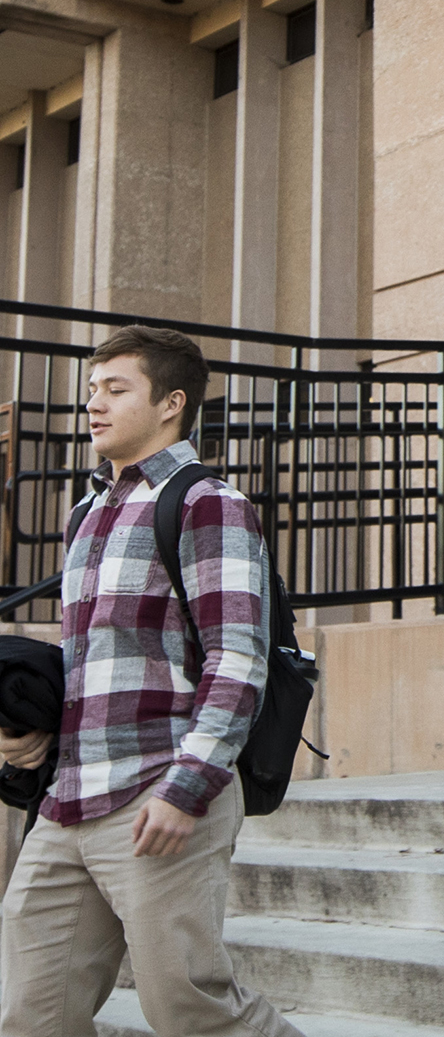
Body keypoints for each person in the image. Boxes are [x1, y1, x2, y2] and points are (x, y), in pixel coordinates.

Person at [0, 325, 303, 1037]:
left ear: (171, 403)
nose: (94, 406)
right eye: (90, 391)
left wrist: (188, 787)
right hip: (67, 799)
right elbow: (93, 658)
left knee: (190, 1010)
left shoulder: (206, 503)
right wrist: (35, 733)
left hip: (158, 794)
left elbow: (238, 656)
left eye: (115, 389)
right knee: (30, 1014)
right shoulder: (87, 512)